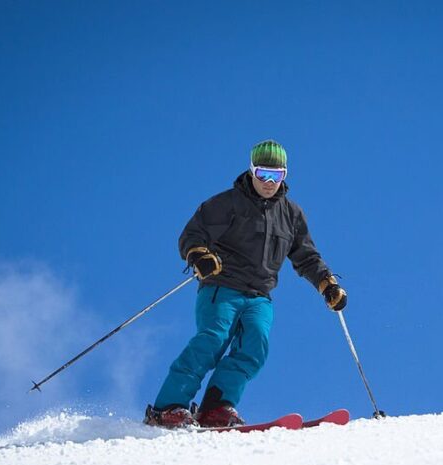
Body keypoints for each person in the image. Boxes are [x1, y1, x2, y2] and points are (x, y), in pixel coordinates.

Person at [144, 139, 347, 428]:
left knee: (255, 347)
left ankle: (216, 408)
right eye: (263, 173)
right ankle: (168, 407)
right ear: (251, 171)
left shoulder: (291, 215)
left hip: (260, 295)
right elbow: (192, 235)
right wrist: (199, 255)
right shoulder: (226, 204)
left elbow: (306, 256)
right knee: (212, 340)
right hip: (222, 287)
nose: (268, 182)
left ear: (285, 175)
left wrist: (326, 283)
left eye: (276, 176)